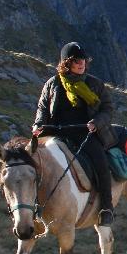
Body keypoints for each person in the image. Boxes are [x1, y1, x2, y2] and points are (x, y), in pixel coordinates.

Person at [32, 42, 117, 226]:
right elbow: (42, 107)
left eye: (84, 60)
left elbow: (108, 109)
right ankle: (30, 208)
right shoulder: (52, 84)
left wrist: (97, 123)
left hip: (85, 134)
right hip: (55, 135)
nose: (82, 64)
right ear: (66, 63)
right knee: (29, 164)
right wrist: (38, 124)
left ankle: (106, 208)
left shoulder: (94, 84)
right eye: (77, 60)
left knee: (101, 163)